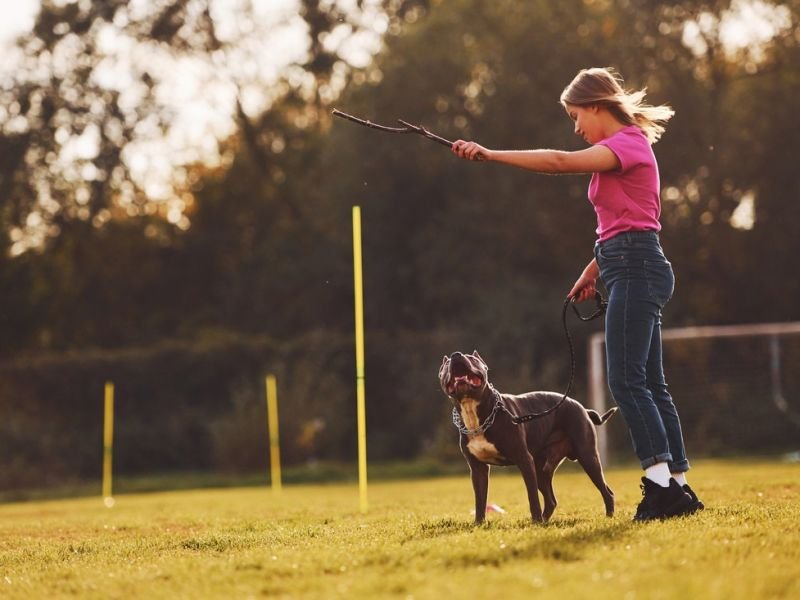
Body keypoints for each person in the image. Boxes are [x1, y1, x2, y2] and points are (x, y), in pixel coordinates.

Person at [451, 67, 703, 521]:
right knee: (650, 384)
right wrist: (594, 268)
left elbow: (558, 161)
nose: (576, 127)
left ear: (595, 106)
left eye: (575, 115)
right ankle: (680, 488)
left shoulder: (626, 144)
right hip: (629, 263)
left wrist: (489, 154)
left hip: (637, 268)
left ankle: (662, 487)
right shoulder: (626, 148)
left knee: (627, 381)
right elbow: (626, 222)